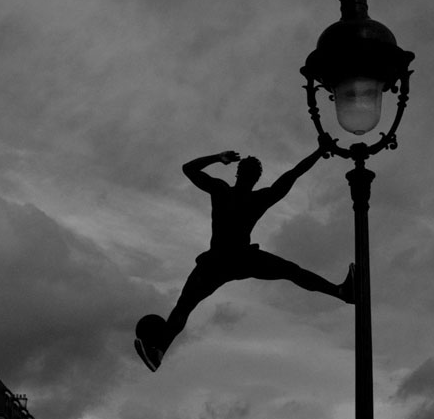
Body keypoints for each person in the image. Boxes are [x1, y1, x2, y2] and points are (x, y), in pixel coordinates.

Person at [134, 135, 354, 372]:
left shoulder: (223, 191)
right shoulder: (253, 197)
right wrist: (319, 152)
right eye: (250, 172)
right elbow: (293, 174)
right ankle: (340, 291)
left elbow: (189, 168)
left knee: (185, 306)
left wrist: (218, 158)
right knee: (292, 272)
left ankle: (160, 350)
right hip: (238, 259)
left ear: (241, 174)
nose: (249, 175)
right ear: (252, 177)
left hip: (221, 260)